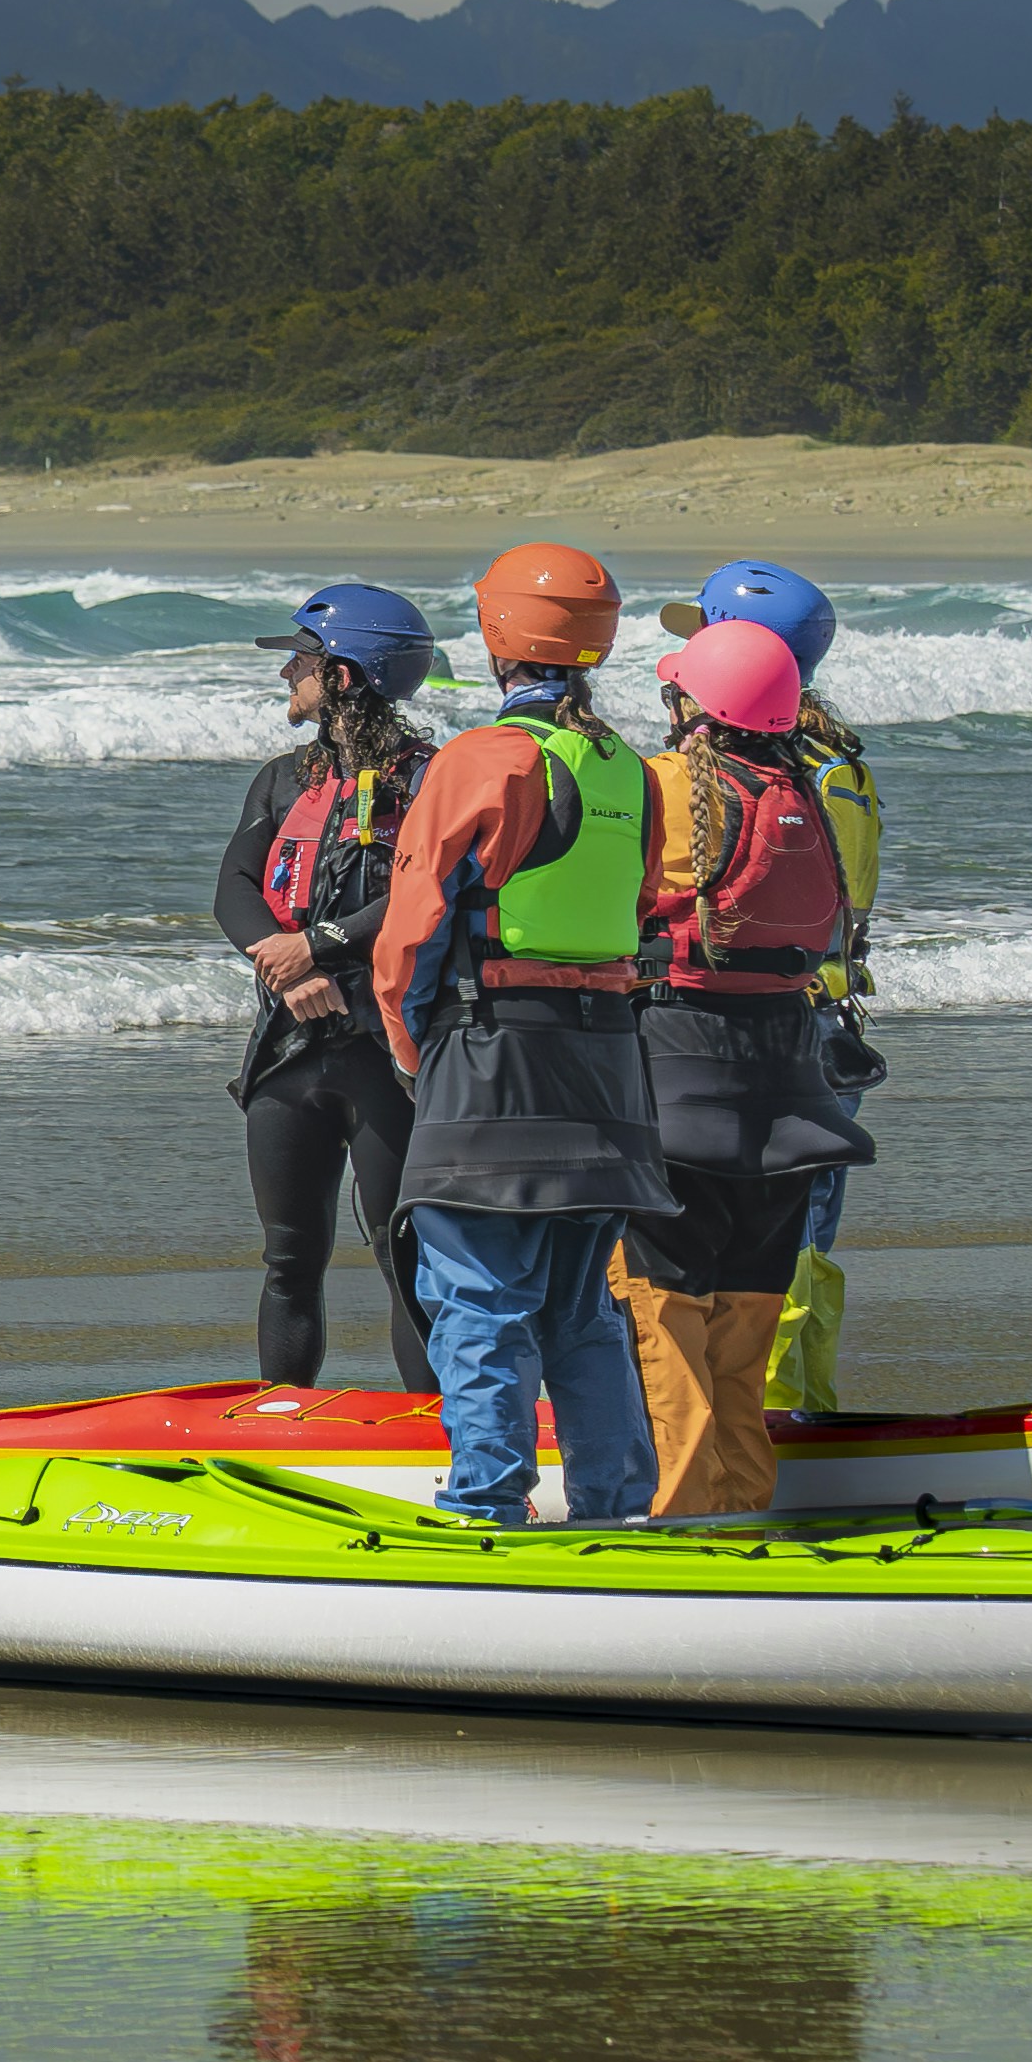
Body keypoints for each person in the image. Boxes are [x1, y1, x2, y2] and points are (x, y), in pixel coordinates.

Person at [368, 543, 673, 1524]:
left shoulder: (481, 759)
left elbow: (408, 935)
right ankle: (615, 1505)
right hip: (606, 1065)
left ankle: (489, 1502)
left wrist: (413, 1056)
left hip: (492, 1055)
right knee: (584, 1308)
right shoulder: (629, 766)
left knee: (479, 1297)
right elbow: (640, 901)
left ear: (499, 637)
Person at [611, 621, 878, 1511]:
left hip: (678, 1073)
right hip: (790, 1086)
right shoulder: (814, 788)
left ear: (694, 704)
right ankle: (744, 1508)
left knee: (666, 1313)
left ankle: (682, 1516)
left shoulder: (662, 785)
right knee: (745, 1322)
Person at [212, 584, 445, 1389]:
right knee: (288, 1260)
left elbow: (424, 893)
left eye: (301, 660)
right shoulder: (282, 780)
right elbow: (234, 888)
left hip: (387, 1057)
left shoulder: (431, 781)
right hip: (288, 1052)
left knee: (404, 1257)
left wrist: (317, 950)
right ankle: (285, 1425)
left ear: (343, 676)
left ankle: (435, 1444)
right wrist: (284, 965)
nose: (286, 673)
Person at [672, 562, 884, 1409]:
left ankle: (757, 1429)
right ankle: (796, 1410)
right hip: (825, 1018)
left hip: (758, 1029)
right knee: (801, 1241)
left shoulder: (762, 770)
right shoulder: (838, 764)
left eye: (703, 632)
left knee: (751, 1251)